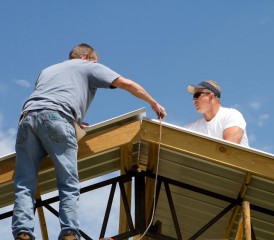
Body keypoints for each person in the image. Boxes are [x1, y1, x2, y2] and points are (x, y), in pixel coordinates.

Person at [12, 43, 167, 240]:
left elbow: (48, 100)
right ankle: (69, 233)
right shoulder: (88, 66)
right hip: (57, 118)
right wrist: (153, 102)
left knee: (24, 182)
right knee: (67, 180)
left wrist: (73, 121)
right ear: (86, 56)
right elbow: (126, 83)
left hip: (27, 120)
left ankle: (23, 232)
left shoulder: (48, 70)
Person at [183, 80, 249, 146]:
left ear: (211, 96)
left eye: (197, 95)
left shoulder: (232, 116)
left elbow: (229, 150)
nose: (193, 100)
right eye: (193, 96)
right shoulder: (191, 127)